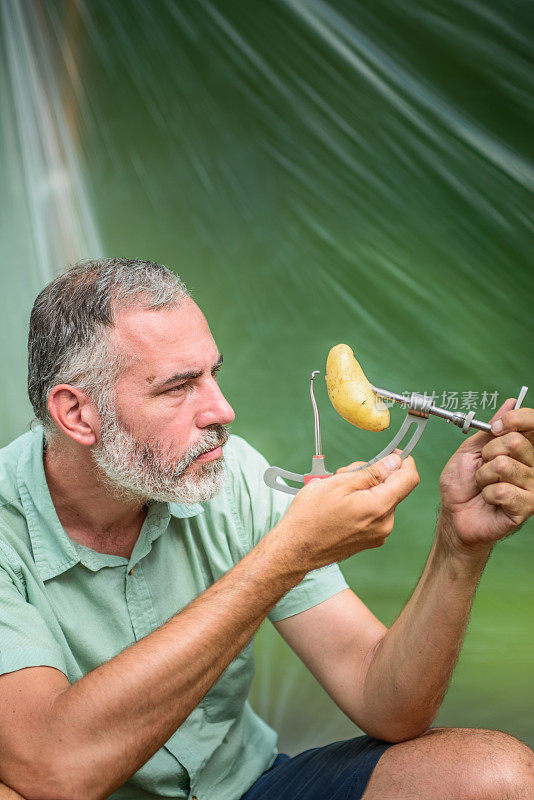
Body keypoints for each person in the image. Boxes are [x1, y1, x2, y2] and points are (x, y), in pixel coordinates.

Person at [0, 258, 532, 800]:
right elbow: (52, 772)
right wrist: (287, 556)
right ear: (77, 415)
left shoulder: (229, 476)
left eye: (214, 373)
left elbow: (385, 702)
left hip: (248, 788)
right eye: (178, 387)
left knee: (496, 776)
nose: (222, 410)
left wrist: (459, 549)